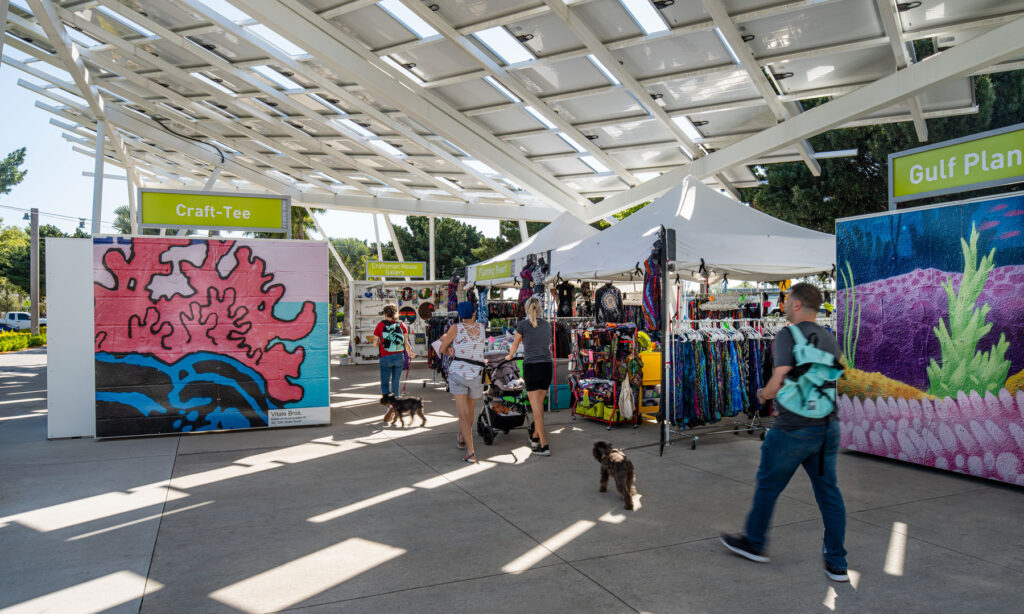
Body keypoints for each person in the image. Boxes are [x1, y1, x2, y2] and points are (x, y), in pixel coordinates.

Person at [720, 282, 849, 582]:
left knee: (768, 484)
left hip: (793, 428)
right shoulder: (829, 338)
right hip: (828, 426)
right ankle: (837, 562)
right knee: (829, 494)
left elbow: (778, 381)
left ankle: (754, 542)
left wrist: (763, 395)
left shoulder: (787, 335)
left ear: (799, 305)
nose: (785, 304)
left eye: (788, 300)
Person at [439, 301, 486, 463]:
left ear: (459, 314)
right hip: (476, 374)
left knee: (463, 414)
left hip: (458, 373)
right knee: (470, 412)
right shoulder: (482, 328)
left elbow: (441, 349)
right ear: (474, 313)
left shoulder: (455, 328)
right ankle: (461, 436)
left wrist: (449, 348)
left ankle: (471, 452)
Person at [505, 296, 553, 456]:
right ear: (540, 309)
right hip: (546, 366)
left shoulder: (523, 325)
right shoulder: (547, 325)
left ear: (526, 309)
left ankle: (544, 445)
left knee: (536, 409)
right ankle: (534, 435)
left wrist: (509, 356)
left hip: (532, 367)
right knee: (539, 407)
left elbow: (515, 343)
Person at [370, 303, 414, 405]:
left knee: (385, 382)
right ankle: (395, 404)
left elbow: (375, 344)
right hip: (399, 356)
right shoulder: (401, 324)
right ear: (396, 313)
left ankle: (387, 401)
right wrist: (410, 353)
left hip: (385, 357)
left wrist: (381, 343)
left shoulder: (380, 325)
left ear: (385, 313)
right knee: (396, 382)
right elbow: (406, 343)